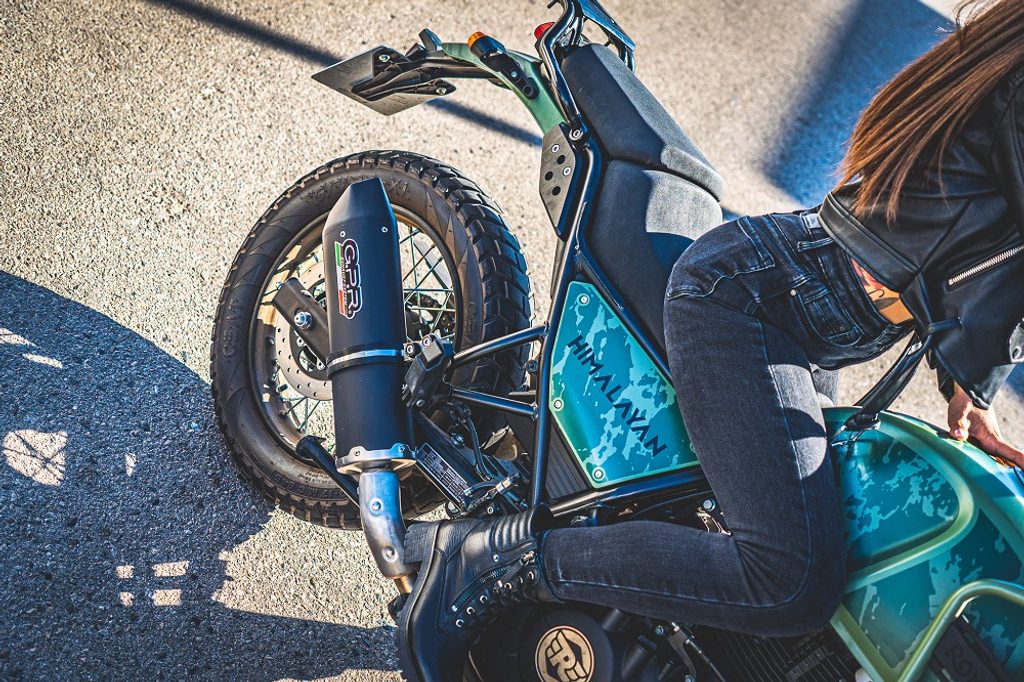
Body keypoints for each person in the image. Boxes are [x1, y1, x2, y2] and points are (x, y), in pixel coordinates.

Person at [396, 1, 1024, 678]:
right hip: (750, 300)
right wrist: (975, 373)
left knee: (823, 546)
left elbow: (986, 263)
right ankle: (495, 559)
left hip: (803, 325)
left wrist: (971, 390)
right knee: (788, 579)